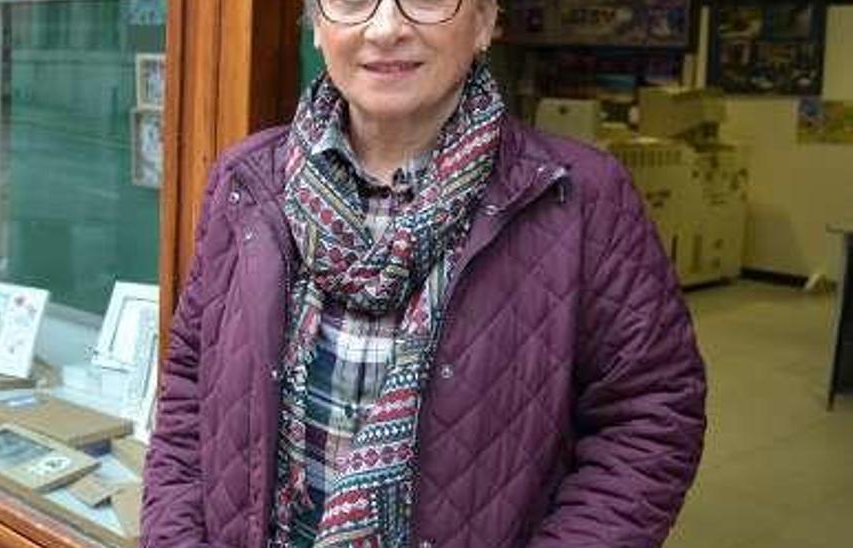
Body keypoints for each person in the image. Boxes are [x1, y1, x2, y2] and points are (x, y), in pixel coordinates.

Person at [142, 0, 707, 547]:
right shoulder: (247, 182)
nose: (386, 27)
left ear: (485, 21)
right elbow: (190, 390)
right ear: (317, 25)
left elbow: (650, 417)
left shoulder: (580, 197)